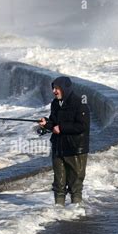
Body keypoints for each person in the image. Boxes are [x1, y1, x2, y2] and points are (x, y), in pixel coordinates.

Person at [39, 76, 90, 206]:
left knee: (75, 185)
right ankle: (59, 213)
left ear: (65, 89)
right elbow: (54, 124)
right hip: (58, 147)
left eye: (57, 88)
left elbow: (82, 126)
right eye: (53, 88)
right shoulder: (55, 103)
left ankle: (76, 214)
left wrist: (61, 128)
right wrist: (46, 123)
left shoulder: (80, 103)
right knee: (58, 184)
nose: (54, 91)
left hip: (75, 149)